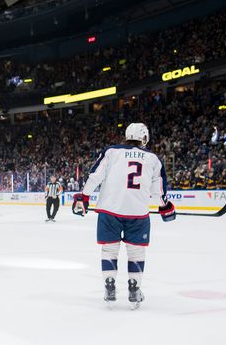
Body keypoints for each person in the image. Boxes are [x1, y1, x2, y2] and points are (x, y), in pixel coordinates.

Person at [72, 122, 176, 309]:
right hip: (137, 213)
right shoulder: (153, 158)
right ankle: (134, 289)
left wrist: (84, 196)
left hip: (109, 211)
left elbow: (95, 175)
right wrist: (165, 207)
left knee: (109, 250)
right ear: (144, 137)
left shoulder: (111, 152)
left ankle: (109, 285)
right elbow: (158, 190)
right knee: (136, 252)